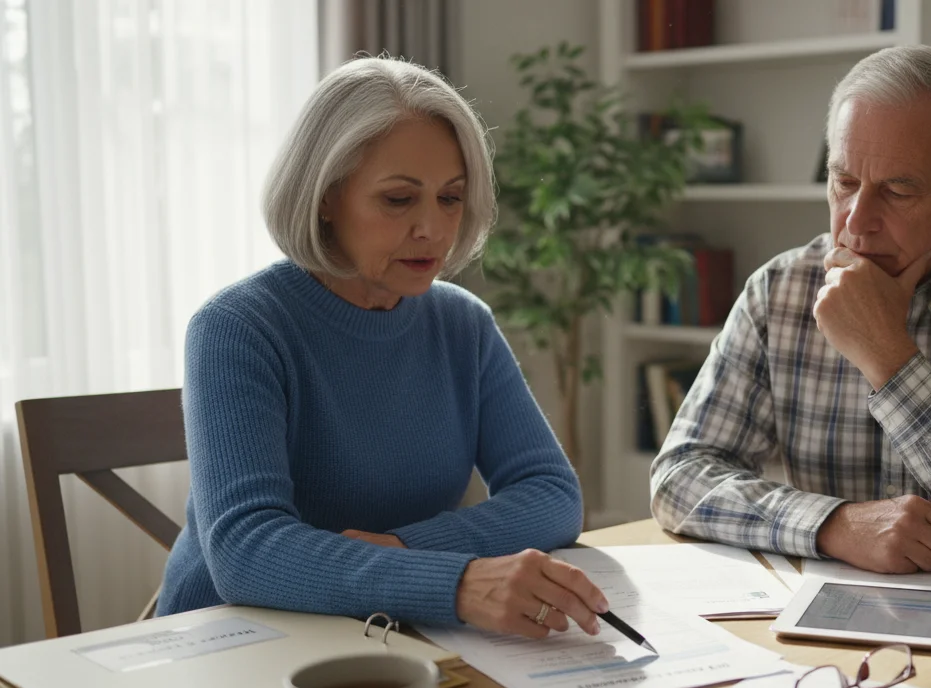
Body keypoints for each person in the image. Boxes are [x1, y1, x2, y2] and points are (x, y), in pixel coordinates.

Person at [157, 57, 609, 640]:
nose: (434, 229)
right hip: (231, 644)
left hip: (389, 632)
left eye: (451, 198)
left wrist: (409, 550)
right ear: (324, 196)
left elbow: (552, 496)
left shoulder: (462, 325)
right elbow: (245, 551)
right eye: (399, 200)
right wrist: (454, 583)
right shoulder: (237, 328)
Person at [651, 45, 931, 575]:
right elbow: (679, 477)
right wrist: (834, 525)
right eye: (843, 182)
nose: (856, 222)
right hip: (822, 624)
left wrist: (888, 356)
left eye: (897, 190)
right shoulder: (780, 289)